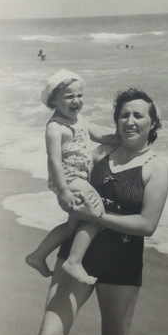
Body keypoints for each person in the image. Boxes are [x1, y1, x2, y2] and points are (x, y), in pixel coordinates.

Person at [4, 87, 168, 335]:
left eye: (139, 115)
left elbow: (147, 225)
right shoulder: (97, 154)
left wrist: (99, 216)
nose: (130, 120)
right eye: (124, 114)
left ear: (152, 123)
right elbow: (65, 180)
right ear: (116, 121)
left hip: (121, 263)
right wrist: (65, 193)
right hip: (77, 255)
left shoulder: (156, 168)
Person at [25, 70, 117, 284]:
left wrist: (123, 138)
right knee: (97, 215)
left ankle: (37, 255)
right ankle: (73, 262)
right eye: (69, 96)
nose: (76, 101)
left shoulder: (80, 120)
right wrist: (64, 190)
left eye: (80, 96)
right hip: (69, 180)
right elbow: (54, 161)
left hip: (80, 180)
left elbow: (100, 136)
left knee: (71, 226)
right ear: (54, 101)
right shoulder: (55, 128)